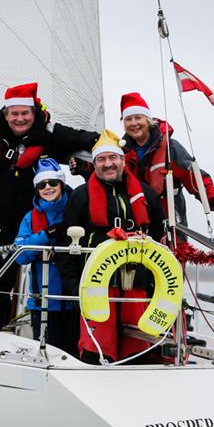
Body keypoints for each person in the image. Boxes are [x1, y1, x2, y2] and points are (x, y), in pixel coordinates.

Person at [0, 82, 98, 331]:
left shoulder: (51, 134)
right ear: (5, 114)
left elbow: (87, 138)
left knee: (57, 275)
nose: (19, 119)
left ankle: (65, 335)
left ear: (34, 113)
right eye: (14, 113)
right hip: (4, 222)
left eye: (25, 113)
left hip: (43, 221)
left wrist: (108, 151)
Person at [57, 130, 168, 364]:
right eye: (101, 159)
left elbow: (159, 239)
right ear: (94, 164)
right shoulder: (80, 196)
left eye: (113, 158)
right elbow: (65, 245)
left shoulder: (146, 195)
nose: (108, 164)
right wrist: (73, 288)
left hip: (136, 286)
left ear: (122, 160)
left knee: (138, 348)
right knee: (97, 349)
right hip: (96, 288)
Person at [71, 92, 214, 232]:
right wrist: (85, 168)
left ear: (148, 120)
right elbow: (110, 175)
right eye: (128, 119)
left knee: (170, 266)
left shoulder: (171, 149)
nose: (134, 123)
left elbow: (193, 177)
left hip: (170, 217)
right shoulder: (121, 151)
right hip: (135, 218)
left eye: (138, 118)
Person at [13, 158, 78, 355]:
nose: (47, 187)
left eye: (52, 183)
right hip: (42, 304)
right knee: (46, 356)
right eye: (42, 184)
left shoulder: (76, 209)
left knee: (73, 357)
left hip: (74, 303)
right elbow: (20, 255)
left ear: (62, 184)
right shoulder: (29, 218)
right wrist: (46, 235)